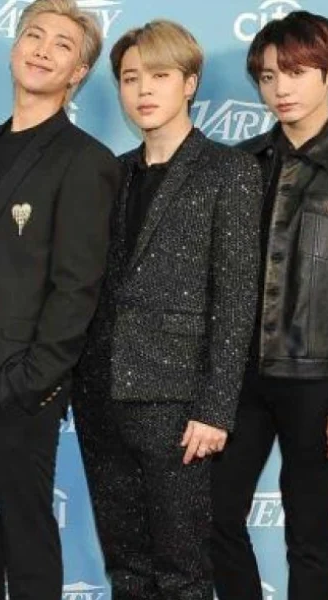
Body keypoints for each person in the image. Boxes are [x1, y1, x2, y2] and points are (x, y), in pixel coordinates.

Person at [0, 1, 121, 598]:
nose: (42, 50)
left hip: (20, 387)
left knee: (27, 533)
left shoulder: (86, 161)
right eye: (33, 36)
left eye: (62, 45)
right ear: (14, 48)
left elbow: (78, 285)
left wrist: (34, 380)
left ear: (78, 72)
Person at [74, 20, 261, 600]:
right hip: (102, 397)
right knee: (127, 568)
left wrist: (215, 409)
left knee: (183, 572)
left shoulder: (230, 172)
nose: (144, 90)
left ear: (190, 83)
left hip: (180, 406)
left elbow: (237, 298)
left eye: (159, 75)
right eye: (131, 78)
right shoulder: (113, 172)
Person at [212, 11, 328, 600]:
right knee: (213, 516)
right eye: (268, 76)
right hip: (240, 381)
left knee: (309, 532)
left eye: (297, 72)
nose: (281, 88)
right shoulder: (241, 163)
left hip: (320, 383)